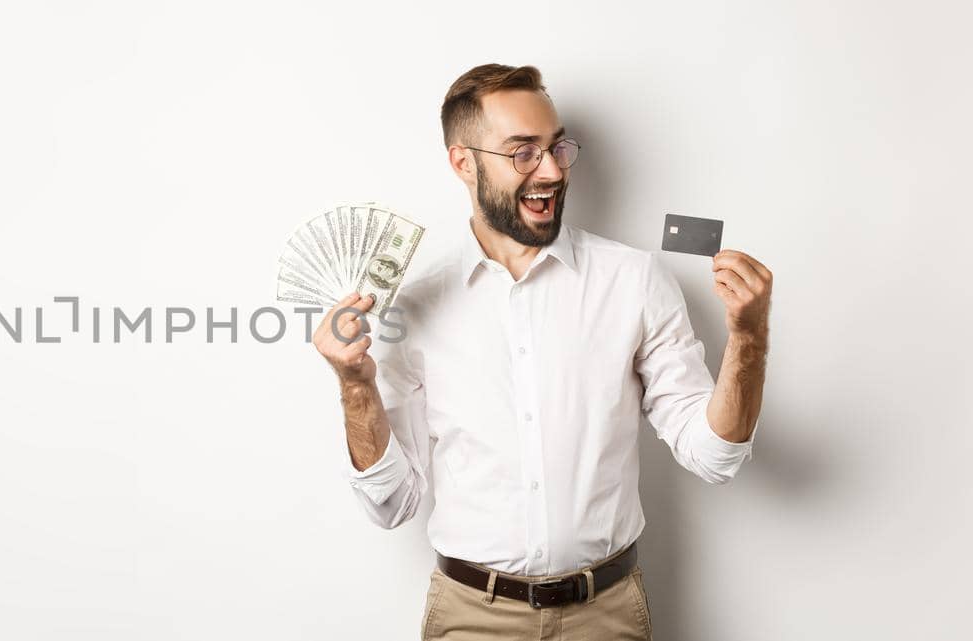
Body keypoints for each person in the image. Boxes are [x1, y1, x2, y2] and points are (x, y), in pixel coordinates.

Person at [313, 63, 772, 640]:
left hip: (605, 616)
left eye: (558, 147)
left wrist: (749, 338)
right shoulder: (413, 306)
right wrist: (355, 385)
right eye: (522, 152)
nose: (552, 171)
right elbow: (390, 505)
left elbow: (715, 457)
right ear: (464, 162)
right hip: (470, 618)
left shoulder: (634, 281)